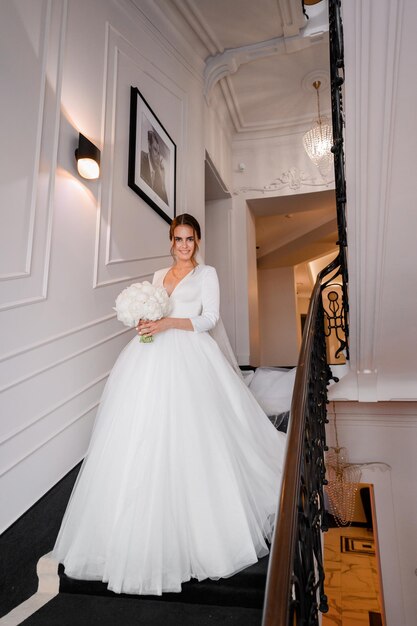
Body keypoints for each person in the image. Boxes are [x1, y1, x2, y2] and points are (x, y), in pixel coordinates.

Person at [53, 213, 287, 596]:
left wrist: (166, 325)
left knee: (195, 433)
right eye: (178, 239)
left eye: (190, 239)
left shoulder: (206, 274)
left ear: (198, 241)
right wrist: (145, 322)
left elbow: (209, 319)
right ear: (170, 241)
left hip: (192, 356)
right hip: (151, 356)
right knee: (142, 432)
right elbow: (156, 312)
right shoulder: (160, 274)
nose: (184, 246)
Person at [140, 129, 168, 204]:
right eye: (155, 150)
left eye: (159, 152)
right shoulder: (140, 158)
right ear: (149, 145)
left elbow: (164, 204)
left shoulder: (158, 175)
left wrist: (163, 182)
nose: (157, 156)